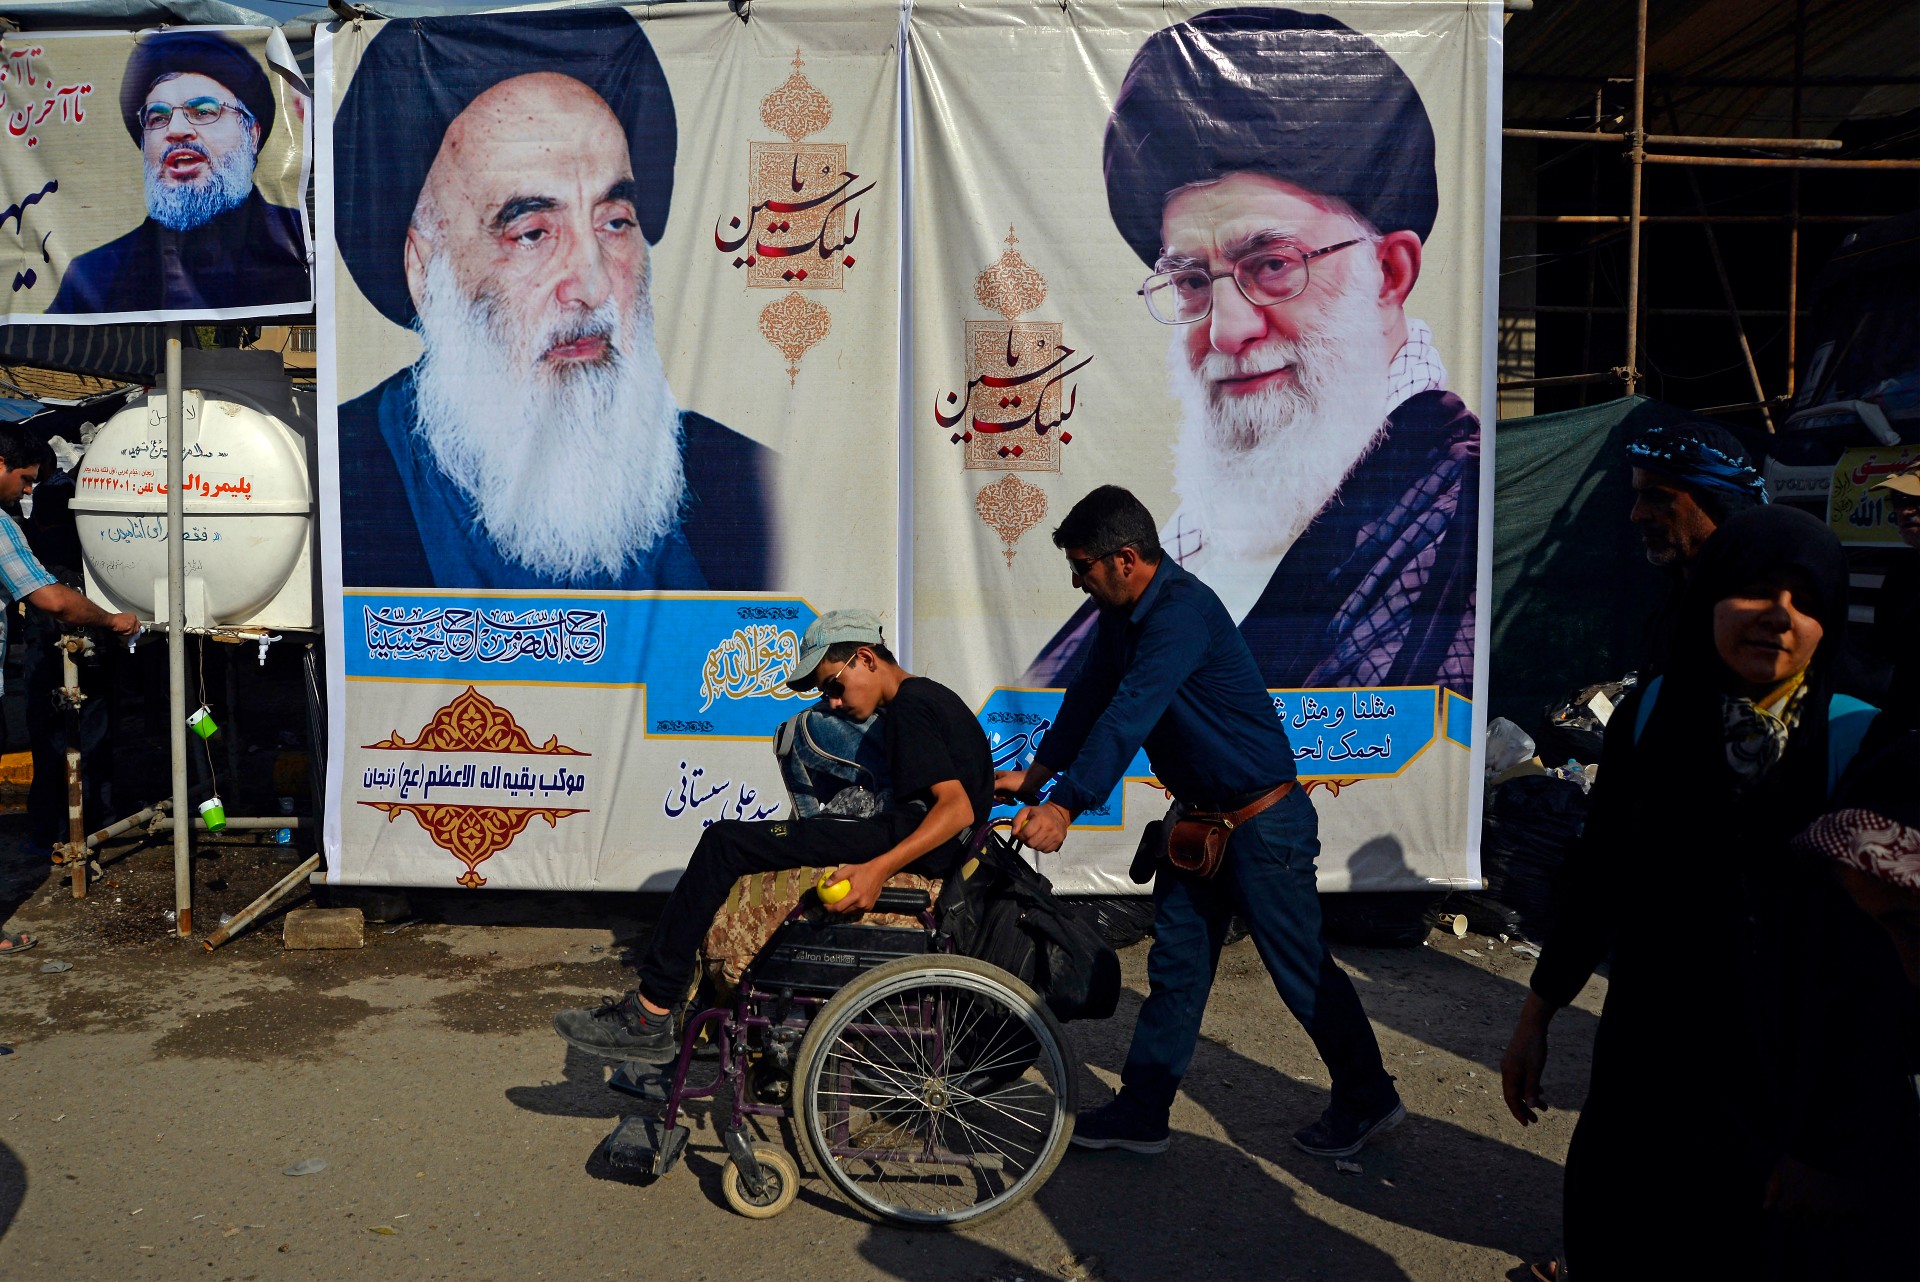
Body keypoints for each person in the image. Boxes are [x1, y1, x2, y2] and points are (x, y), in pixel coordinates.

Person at [1500, 505, 1918, 1281]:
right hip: (1649, 1057)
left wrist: (1829, 1144)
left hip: (1787, 1075)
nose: (1778, 618)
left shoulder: (1865, 740)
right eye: (1756, 590)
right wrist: (1538, 1013)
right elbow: (1601, 878)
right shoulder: (1654, 713)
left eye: (1806, 600)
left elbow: (1877, 972)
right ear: (1712, 595)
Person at [1028, 7, 1477, 694]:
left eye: (1271, 264)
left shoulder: (1449, 512)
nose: (1228, 329)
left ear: (1389, 274)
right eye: (1189, 282)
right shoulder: (1193, 543)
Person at [1001, 486, 1402, 1159]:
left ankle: (1369, 1097)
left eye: (1083, 566)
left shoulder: (1180, 616)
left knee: (1300, 970)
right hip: (1198, 828)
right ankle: (1143, 1111)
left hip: (1262, 827)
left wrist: (1067, 805)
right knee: (1178, 970)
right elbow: (1091, 697)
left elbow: (1130, 714)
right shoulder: (1122, 617)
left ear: (1125, 559)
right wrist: (1038, 776)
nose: (1077, 580)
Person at [333, 11, 771, 593]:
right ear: (424, 271)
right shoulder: (345, 482)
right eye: (533, 233)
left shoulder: (743, 485)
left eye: (615, 222)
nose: (591, 285)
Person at [550, 609, 992, 1062]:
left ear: (866, 658)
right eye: (825, 694)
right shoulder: (933, 697)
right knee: (749, 843)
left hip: (897, 842)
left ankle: (650, 1012)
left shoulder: (909, 710)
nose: (833, 703)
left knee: (725, 842)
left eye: (834, 686)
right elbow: (973, 786)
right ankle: (691, 1009)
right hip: (909, 837)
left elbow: (956, 809)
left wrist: (877, 871)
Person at [0, 426, 142, 955]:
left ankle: (54, 832)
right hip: (66, 633)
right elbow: (54, 601)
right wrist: (112, 620)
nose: (27, 492)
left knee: (53, 740)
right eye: (24, 480)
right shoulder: (2, 524)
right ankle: (79, 830)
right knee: (81, 739)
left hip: (46, 650)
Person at [47, 30, 309, 315]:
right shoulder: (93, 278)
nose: (176, 130)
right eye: (158, 117)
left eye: (203, 111)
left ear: (252, 134)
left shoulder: (301, 245)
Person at [1622, 419, 1769, 674]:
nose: (1637, 514)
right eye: (1639, 496)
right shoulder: (1674, 602)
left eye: (1658, 496)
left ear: (1718, 500)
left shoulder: (1759, 616)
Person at [1864, 462, 1919, 726]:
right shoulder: (1903, 570)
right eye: (1898, 500)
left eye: (1916, 500)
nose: (1906, 511)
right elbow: (1883, 643)